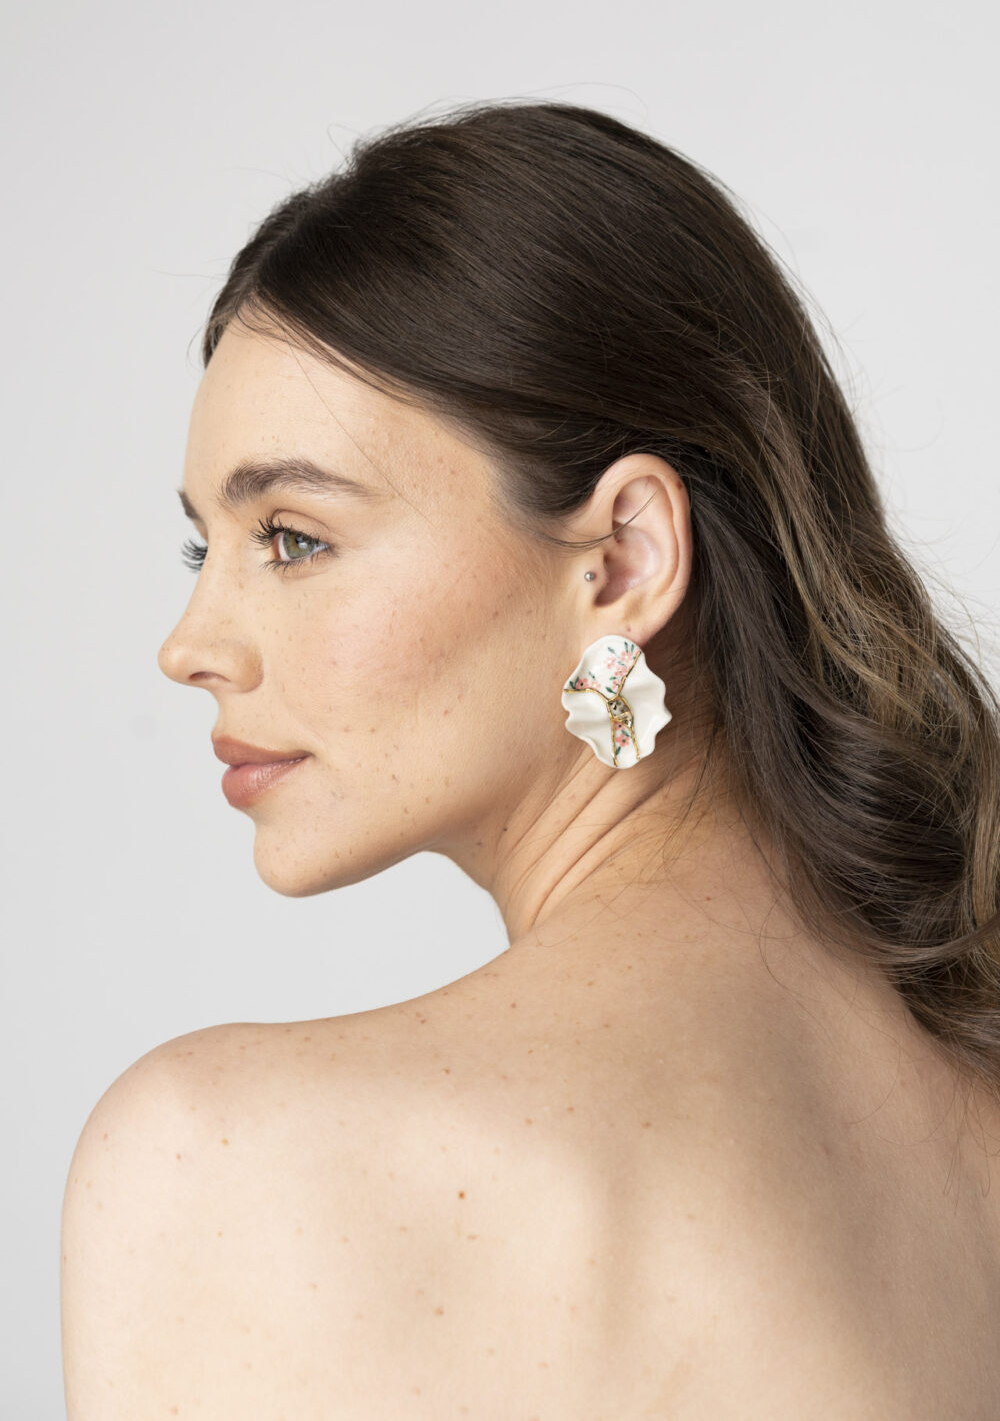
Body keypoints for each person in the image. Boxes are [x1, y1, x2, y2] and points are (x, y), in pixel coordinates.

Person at [61, 100, 1000, 1417]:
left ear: (621, 561)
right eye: (199, 548)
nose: (189, 646)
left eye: (293, 538)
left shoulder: (220, 1164)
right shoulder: (970, 1125)